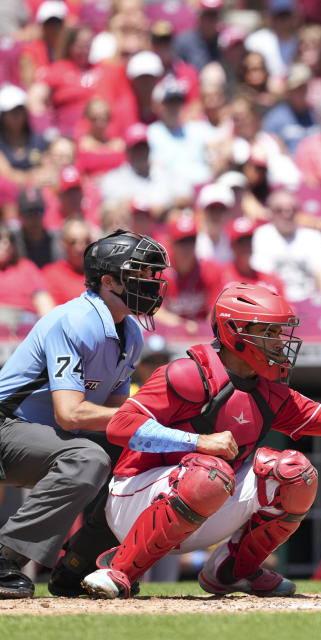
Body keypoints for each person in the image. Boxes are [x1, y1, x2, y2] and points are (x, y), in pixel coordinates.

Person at [79, 282, 321, 599]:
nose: (279, 344)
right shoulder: (188, 372)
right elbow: (121, 425)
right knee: (211, 471)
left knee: (296, 472)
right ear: (236, 331)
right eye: (269, 333)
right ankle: (121, 570)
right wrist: (198, 442)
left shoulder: (272, 392)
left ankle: (232, 569)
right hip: (134, 501)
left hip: (205, 496)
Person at [0, 230, 169, 599]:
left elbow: (115, 417)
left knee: (139, 456)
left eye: (153, 274)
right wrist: (151, 413)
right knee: (87, 458)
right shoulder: (74, 320)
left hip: (36, 435)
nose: (152, 283)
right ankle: (3, 558)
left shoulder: (132, 335)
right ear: (108, 281)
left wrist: (157, 428)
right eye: (139, 273)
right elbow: (70, 414)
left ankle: (81, 566)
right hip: (6, 425)